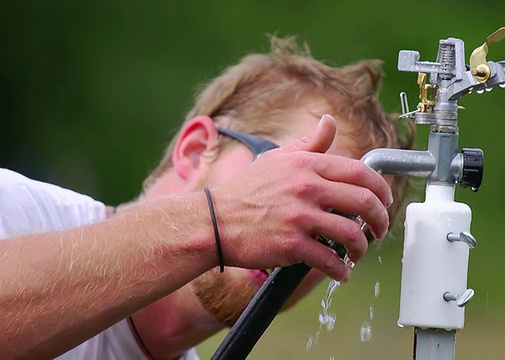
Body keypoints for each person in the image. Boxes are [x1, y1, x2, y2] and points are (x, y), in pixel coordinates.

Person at [0, 36, 414, 359]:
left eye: (337, 222)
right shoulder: (15, 208)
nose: (301, 228)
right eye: (293, 181)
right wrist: (213, 223)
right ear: (196, 150)